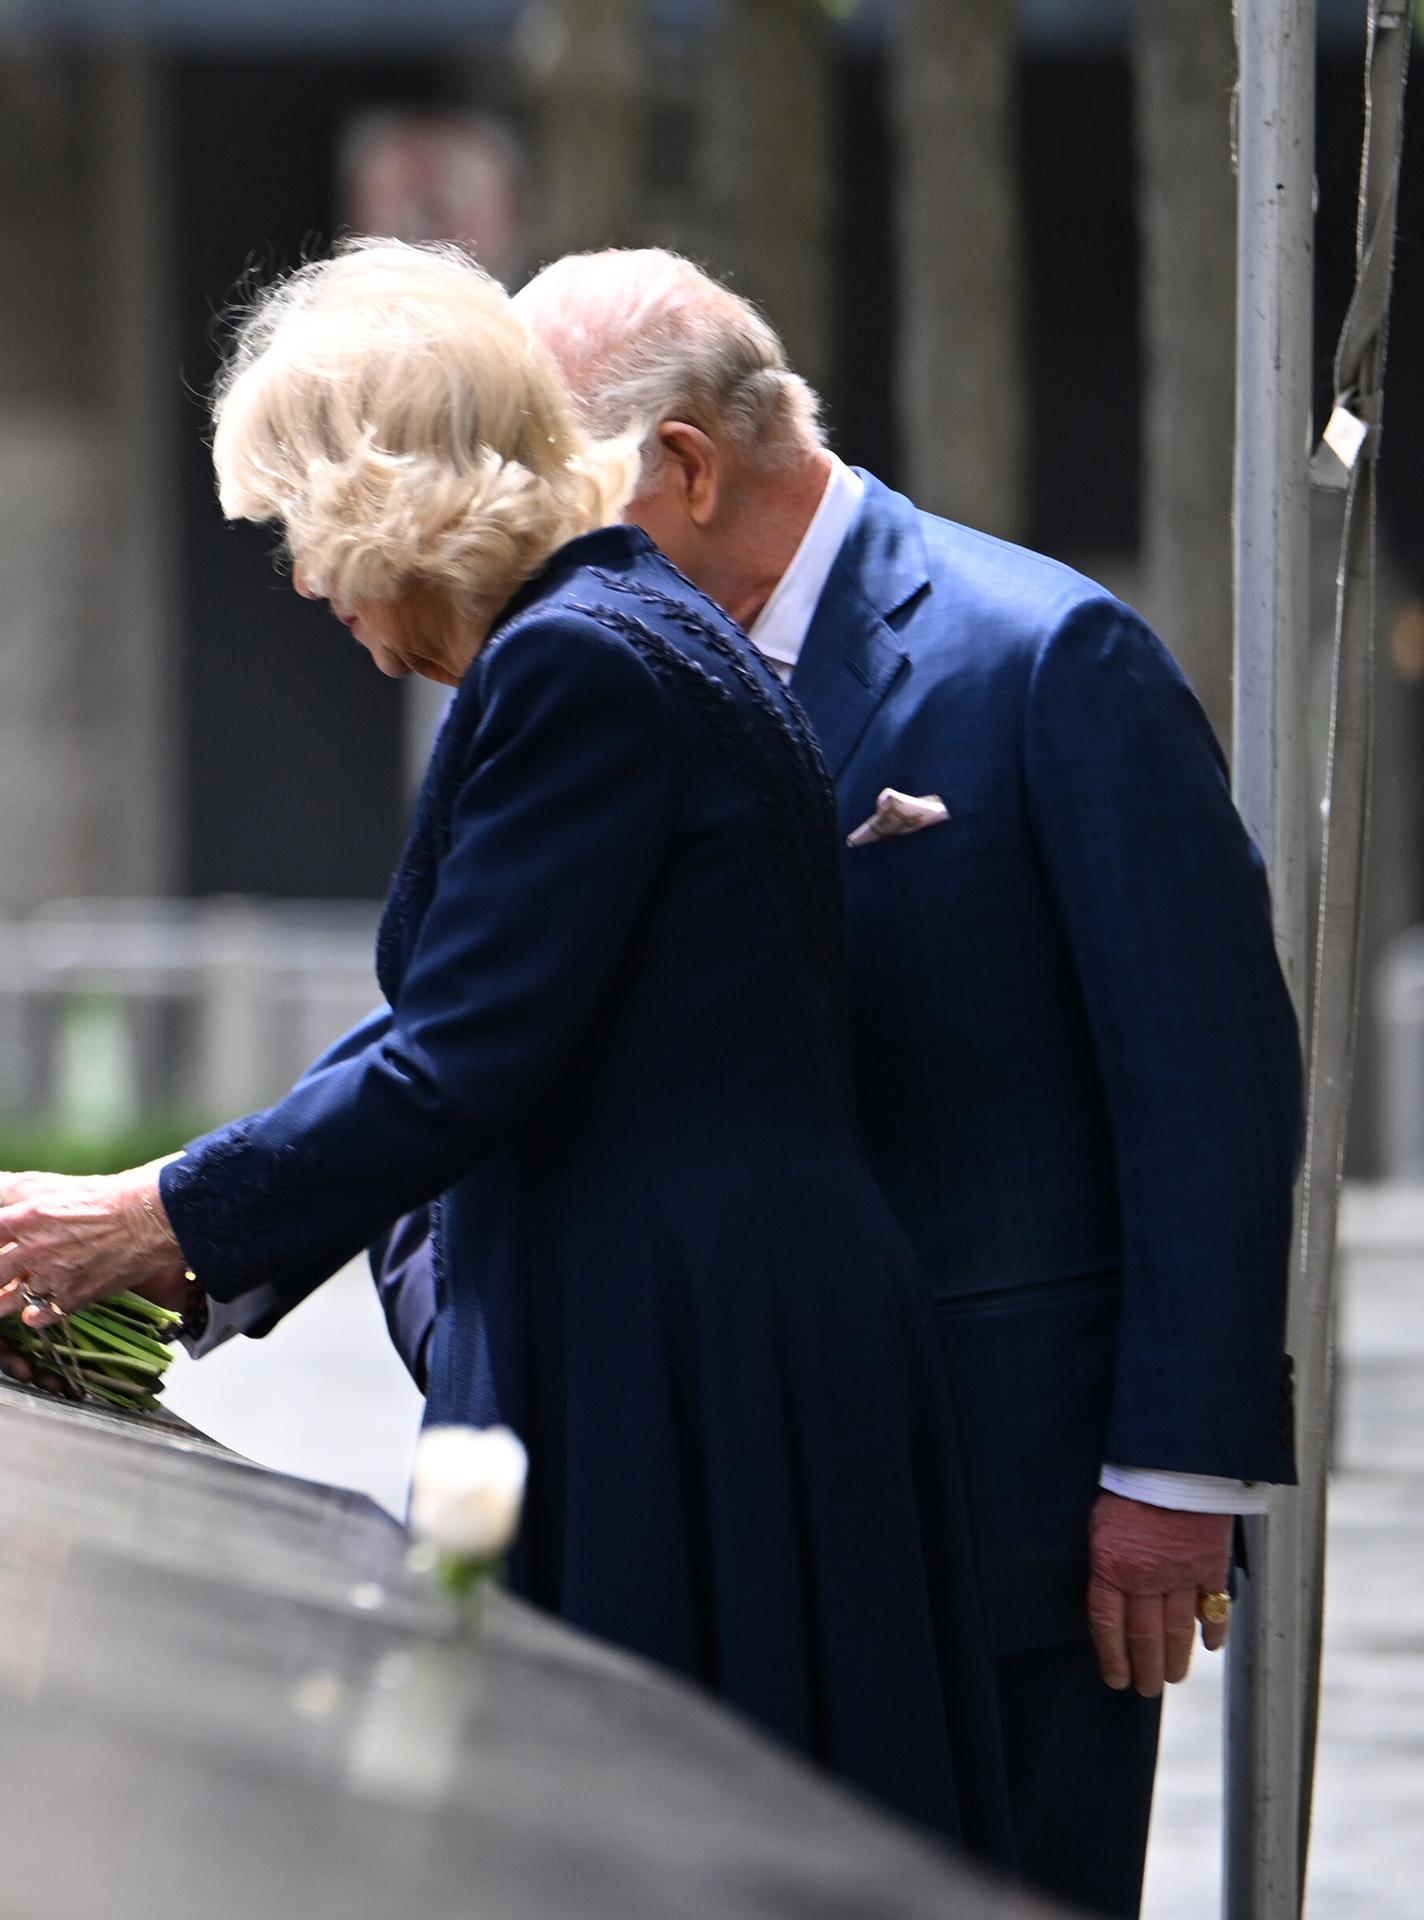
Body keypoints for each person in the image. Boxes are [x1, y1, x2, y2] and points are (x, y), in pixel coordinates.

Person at [0, 239, 1014, 1863]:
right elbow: (456, 1024)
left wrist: (151, 1220)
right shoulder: (620, 627)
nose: (310, 588)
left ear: (393, 506)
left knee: (644, 1843)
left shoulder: (575, 664)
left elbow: (458, 1056)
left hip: (682, 1351)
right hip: (721, 1327)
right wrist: (179, 1216)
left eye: (305, 535)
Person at [468, 248, 1295, 1918]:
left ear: (682, 469)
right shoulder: (606, 674)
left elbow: (1209, 1085)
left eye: (555, 497)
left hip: (1016, 1519)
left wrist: (1173, 1478)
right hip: (703, 1492)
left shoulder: (1050, 657)